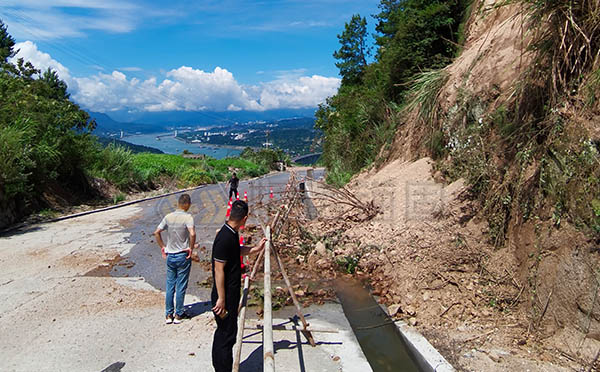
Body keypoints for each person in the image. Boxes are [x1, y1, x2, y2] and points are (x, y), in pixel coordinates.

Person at [211, 200, 266, 372]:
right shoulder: (224, 237)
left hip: (230, 293)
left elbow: (237, 250)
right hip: (224, 295)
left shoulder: (232, 232)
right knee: (225, 335)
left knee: (229, 333)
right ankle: (222, 369)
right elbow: (218, 269)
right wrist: (221, 298)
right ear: (245, 218)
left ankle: (223, 367)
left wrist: (256, 249)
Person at [153, 193, 196, 325]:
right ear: (188, 204)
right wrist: (191, 248)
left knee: (170, 285)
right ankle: (179, 314)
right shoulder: (188, 217)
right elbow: (192, 233)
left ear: (178, 204)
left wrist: (163, 247)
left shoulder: (168, 217)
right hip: (183, 254)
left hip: (170, 255)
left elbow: (156, 232)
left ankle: (168, 314)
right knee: (181, 285)